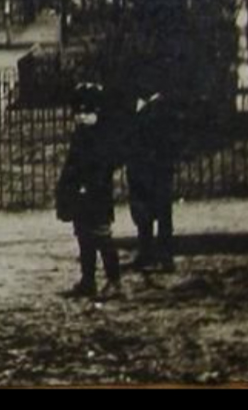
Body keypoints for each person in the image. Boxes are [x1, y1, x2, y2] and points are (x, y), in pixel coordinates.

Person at [55, 82, 121, 297]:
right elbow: (72, 164)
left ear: (98, 112)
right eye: (78, 112)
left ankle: (114, 280)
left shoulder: (103, 137)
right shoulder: (80, 135)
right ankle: (88, 279)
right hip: (80, 194)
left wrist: (91, 184)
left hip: (97, 194)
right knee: (83, 235)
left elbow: (105, 166)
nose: (82, 117)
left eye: (87, 112)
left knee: (102, 235)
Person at [126, 90, 176, 271]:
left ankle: (166, 255)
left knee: (163, 211)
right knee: (141, 211)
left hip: (159, 167)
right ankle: (145, 252)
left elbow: (170, 139)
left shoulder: (163, 107)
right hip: (137, 166)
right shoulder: (132, 106)